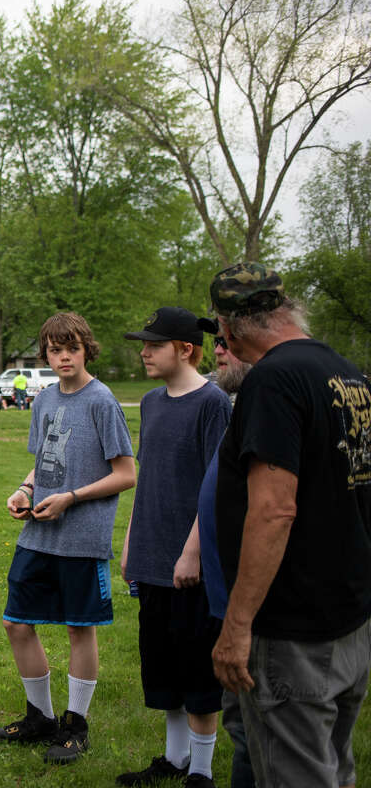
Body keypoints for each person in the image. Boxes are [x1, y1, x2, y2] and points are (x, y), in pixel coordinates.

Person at [209, 263, 371, 788]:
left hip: (293, 632)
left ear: (228, 329)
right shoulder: (346, 372)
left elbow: (275, 509)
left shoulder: (274, 380)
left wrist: (236, 628)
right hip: (348, 620)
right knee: (334, 769)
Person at [0, 312, 136, 765]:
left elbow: (126, 474)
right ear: (45, 353)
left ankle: (76, 726)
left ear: (86, 348)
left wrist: (71, 497)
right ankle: (40, 719)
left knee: (77, 629)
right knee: (16, 622)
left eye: (71, 347)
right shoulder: (45, 399)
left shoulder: (102, 401)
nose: (63, 356)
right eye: (54, 349)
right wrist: (25, 489)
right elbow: (43, 462)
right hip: (38, 532)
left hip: (82, 538)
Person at [116, 307, 232, 788]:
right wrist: (129, 544)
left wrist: (193, 553)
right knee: (163, 667)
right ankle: (175, 758)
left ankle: (200, 773)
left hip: (192, 564)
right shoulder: (150, 401)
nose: (143, 352)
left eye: (153, 345)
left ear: (185, 349)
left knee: (197, 671)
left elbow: (218, 486)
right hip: (151, 556)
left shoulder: (213, 403)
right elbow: (147, 482)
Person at [193, 320, 256, 788]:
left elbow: (276, 512)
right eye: (215, 341)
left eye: (226, 340)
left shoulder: (272, 404)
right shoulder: (241, 402)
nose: (217, 349)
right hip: (229, 597)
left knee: (268, 739)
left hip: (260, 611)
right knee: (248, 732)